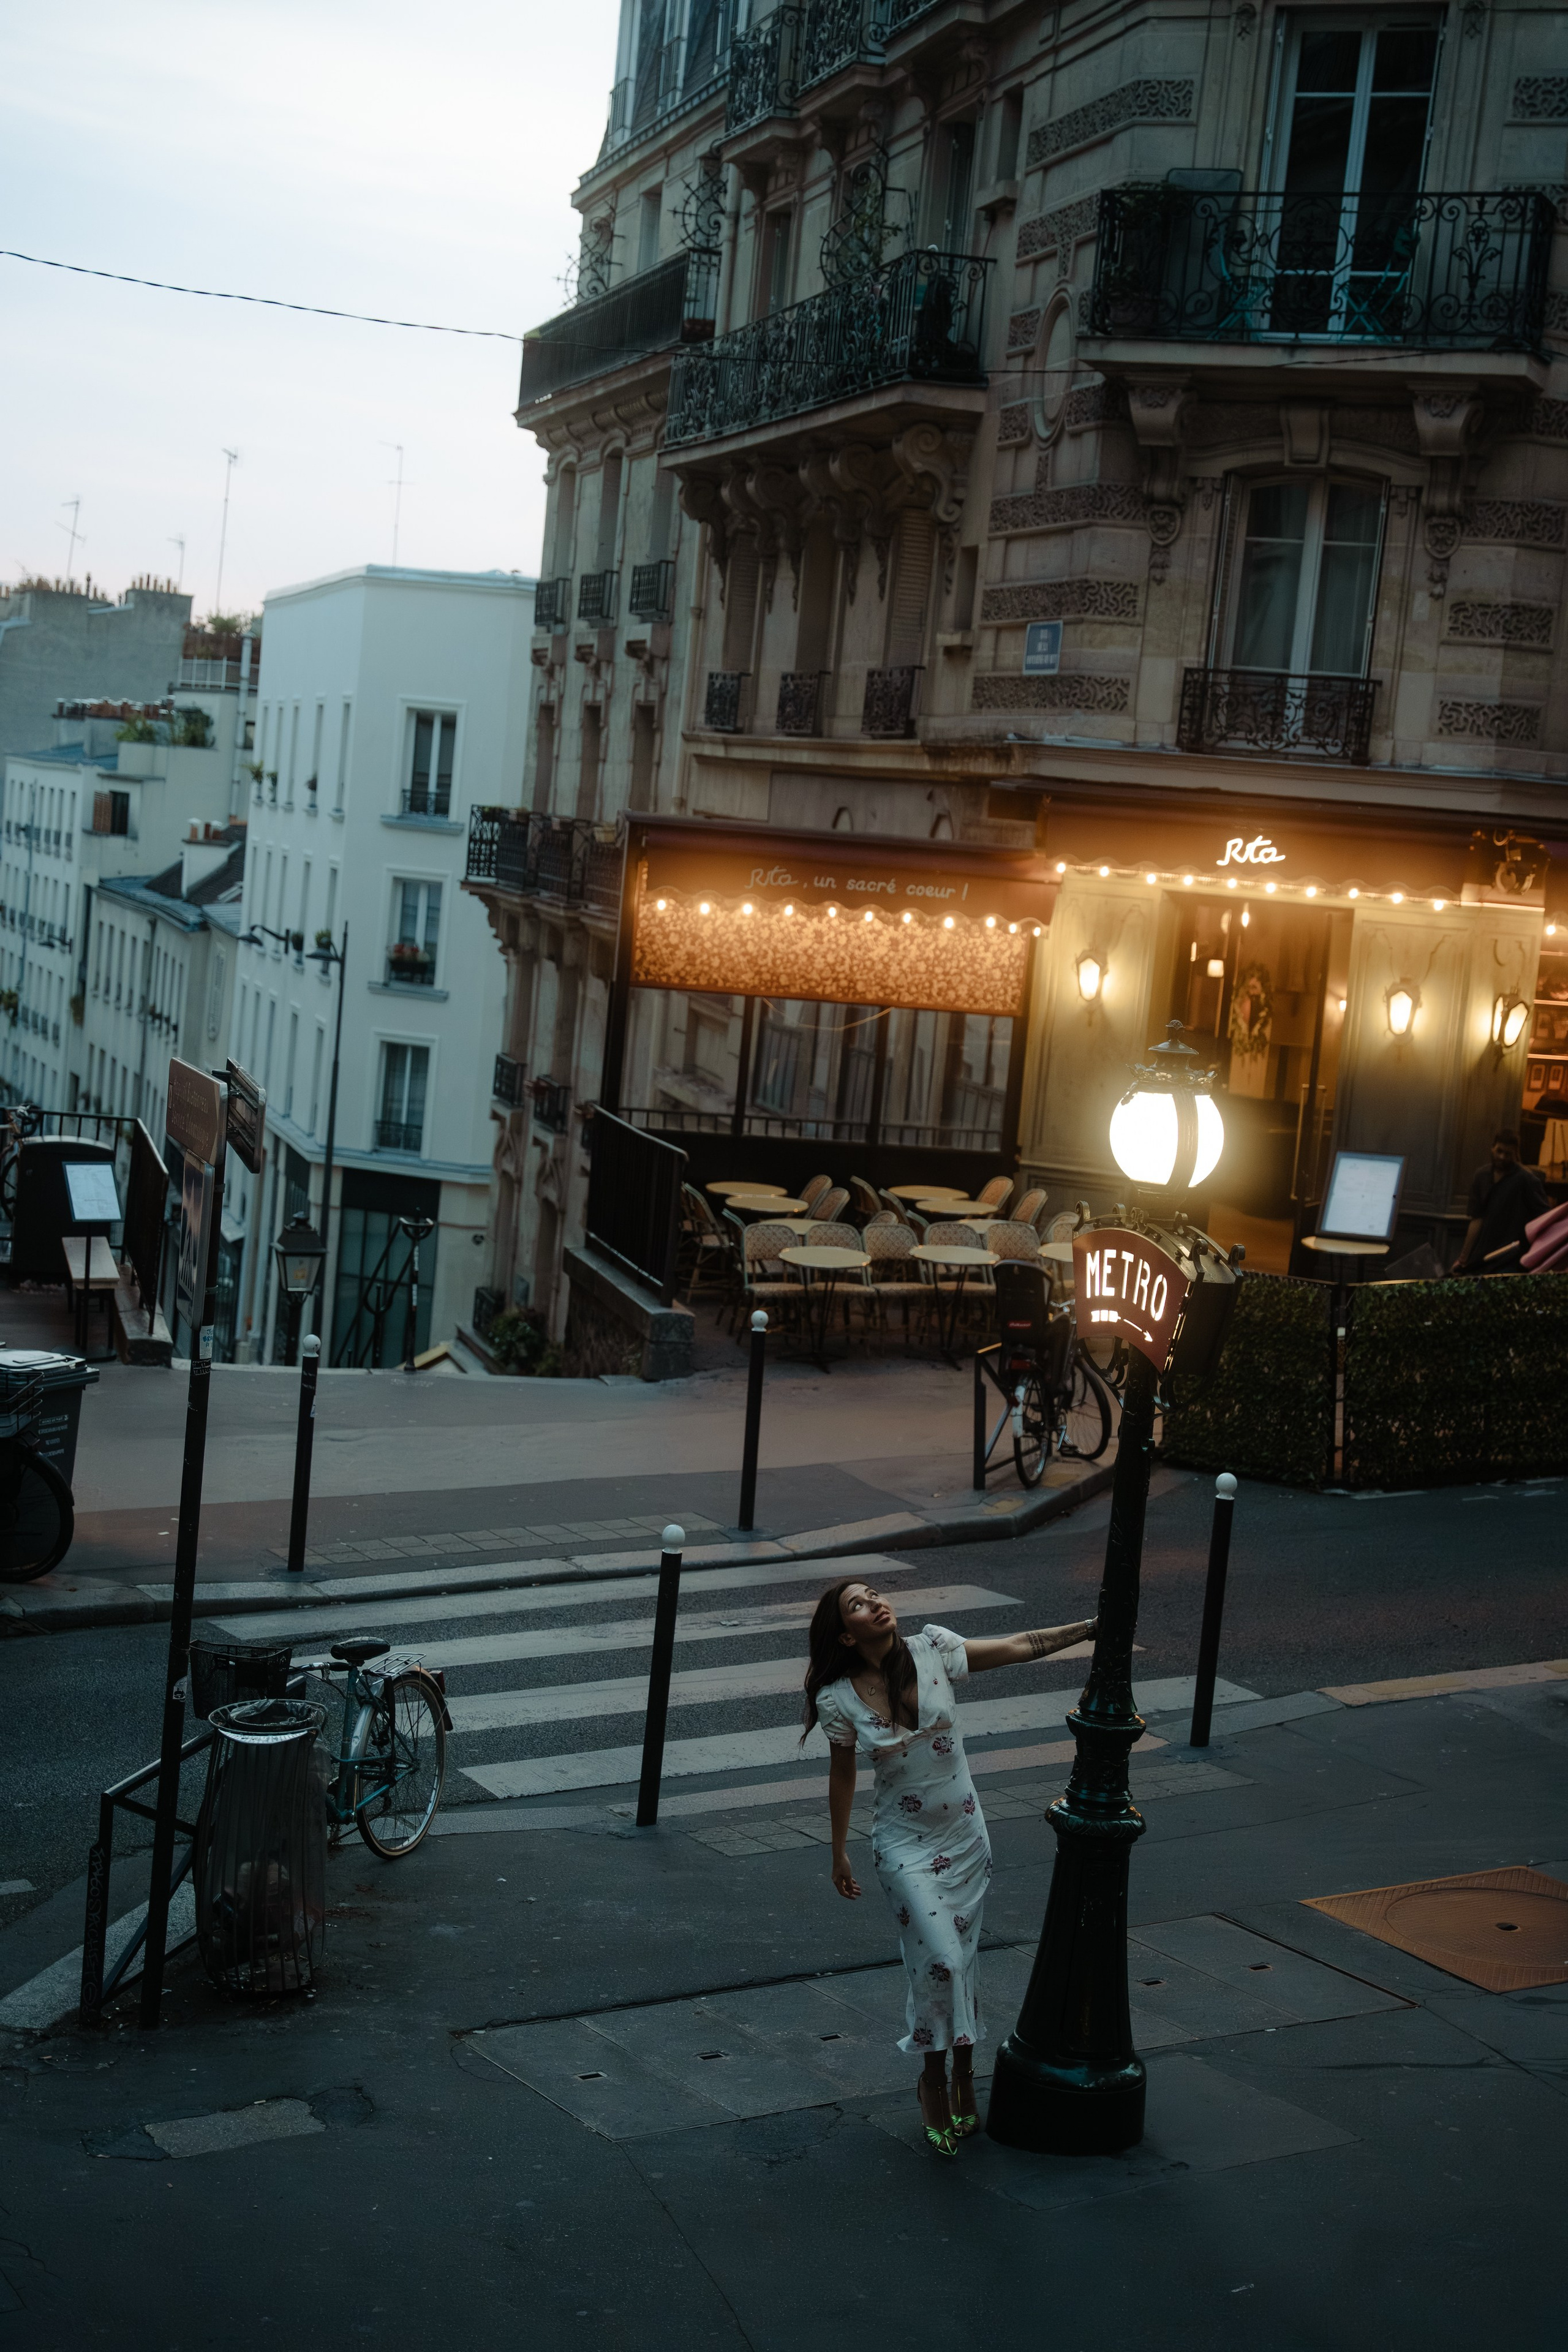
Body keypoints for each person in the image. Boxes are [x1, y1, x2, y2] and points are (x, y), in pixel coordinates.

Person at [802, 1575, 1095, 2159]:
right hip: (902, 1844)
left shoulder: (934, 1650)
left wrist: (1092, 1630)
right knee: (938, 1958)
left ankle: (964, 2073)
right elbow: (843, 1775)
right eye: (858, 1604)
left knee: (960, 1962)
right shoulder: (837, 1698)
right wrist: (838, 1850)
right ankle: (932, 2078)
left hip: (965, 1838)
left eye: (876, 1594)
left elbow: (1019, 1646)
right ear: (844, 1631)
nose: (877, 1603)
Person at [1454, 1129, 1549, 1272]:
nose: (1502, 1157)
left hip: (1511, 1258)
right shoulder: (1482, 1176)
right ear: (1493, 1148)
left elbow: (1543, 1218)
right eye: (1499, 1151)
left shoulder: (1527, 1180)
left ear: (1516, 1154)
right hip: (1483, 1255)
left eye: (1508, 1154)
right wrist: (1463, 1258)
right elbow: (1477, 1219)